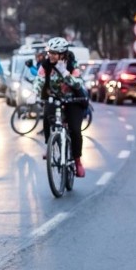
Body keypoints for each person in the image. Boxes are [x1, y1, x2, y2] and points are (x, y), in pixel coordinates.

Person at [34, 37, 87, 177]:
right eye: (50, 52)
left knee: (75, 130)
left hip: (74, 100)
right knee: (47, 115)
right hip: (55, 98)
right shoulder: (45, 65)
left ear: (63, 54)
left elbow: (77, 84)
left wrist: (64, 72)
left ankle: (77, 161)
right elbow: (38, 81)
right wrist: (34, 93)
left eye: (55, 53)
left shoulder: (72, 66)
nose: (51, 55)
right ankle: (49, 145)